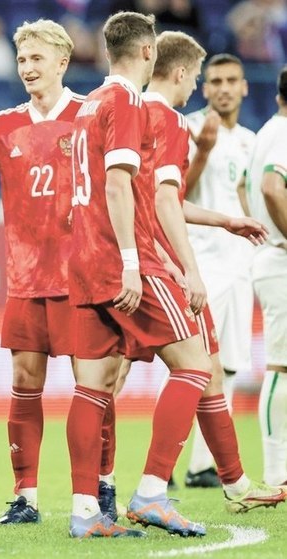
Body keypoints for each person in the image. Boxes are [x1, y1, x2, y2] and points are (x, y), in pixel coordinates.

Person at [101, 30, 283, 521]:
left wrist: (225, 220)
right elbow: (163, 201)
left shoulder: (127, 108)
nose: (197, 86)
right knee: (192, 369)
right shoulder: (169, 119)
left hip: (126, 259)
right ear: (181, 73)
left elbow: (156, 197)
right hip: (158, 265)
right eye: (198, 77)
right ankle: (148, 488)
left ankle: (232, 481)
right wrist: (189, 270)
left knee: (193, 371)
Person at [68, 11, 210, 539]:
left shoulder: (88, 104)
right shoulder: (127, 100)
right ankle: (152, 493)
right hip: (122, 260)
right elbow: (117, 184)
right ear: (149, 51)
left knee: (93, 387)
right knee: (194, 366)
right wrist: (132, 261)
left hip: (84, 260)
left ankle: (85, 512)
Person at [0, 19, 84, 525]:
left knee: (91, 389)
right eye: (22, 60)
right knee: (25, 383)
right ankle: (25, 496)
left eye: (37, 59)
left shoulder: (90, 117)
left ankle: (98, 490)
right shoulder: (3, 125)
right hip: (27, 281)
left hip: (82, 282)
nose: (28, 68)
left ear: (62, 62)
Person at [183, 53, 257, 488]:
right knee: (193, 366)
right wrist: (204, 152)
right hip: (202, 262)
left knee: (228, 366)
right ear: (204, 87)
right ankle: (169, 466)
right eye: (216, 81)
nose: (225, 88)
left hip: (240, 265)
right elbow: (174, 194)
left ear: (245, 87)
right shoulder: (189, 129)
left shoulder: (251, 140)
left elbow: (249, 200)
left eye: (232, 80)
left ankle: (201, 464)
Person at [246, 66, 287, 488]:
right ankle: (277, 471)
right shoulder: (284, 134)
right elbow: (272, 187)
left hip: (270, 254)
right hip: (280, 260)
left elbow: (245, 187)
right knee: (281, 364)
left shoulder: (266, 132)